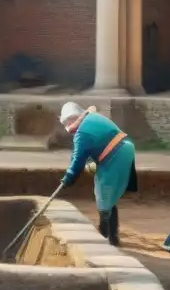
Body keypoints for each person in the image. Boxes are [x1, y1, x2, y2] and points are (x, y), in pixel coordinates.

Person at [58, 102, 137, 246]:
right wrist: (79, 169)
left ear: (72, 119)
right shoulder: (91, 118)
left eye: (67, 122)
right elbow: (80, 155)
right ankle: (110, 234)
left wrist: (68, 177)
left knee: (104, 195)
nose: (67, 126)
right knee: (106, 194)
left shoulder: (82, 132)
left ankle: (107, 235)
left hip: (115, 156)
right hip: (122, 150)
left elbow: (77, 160)